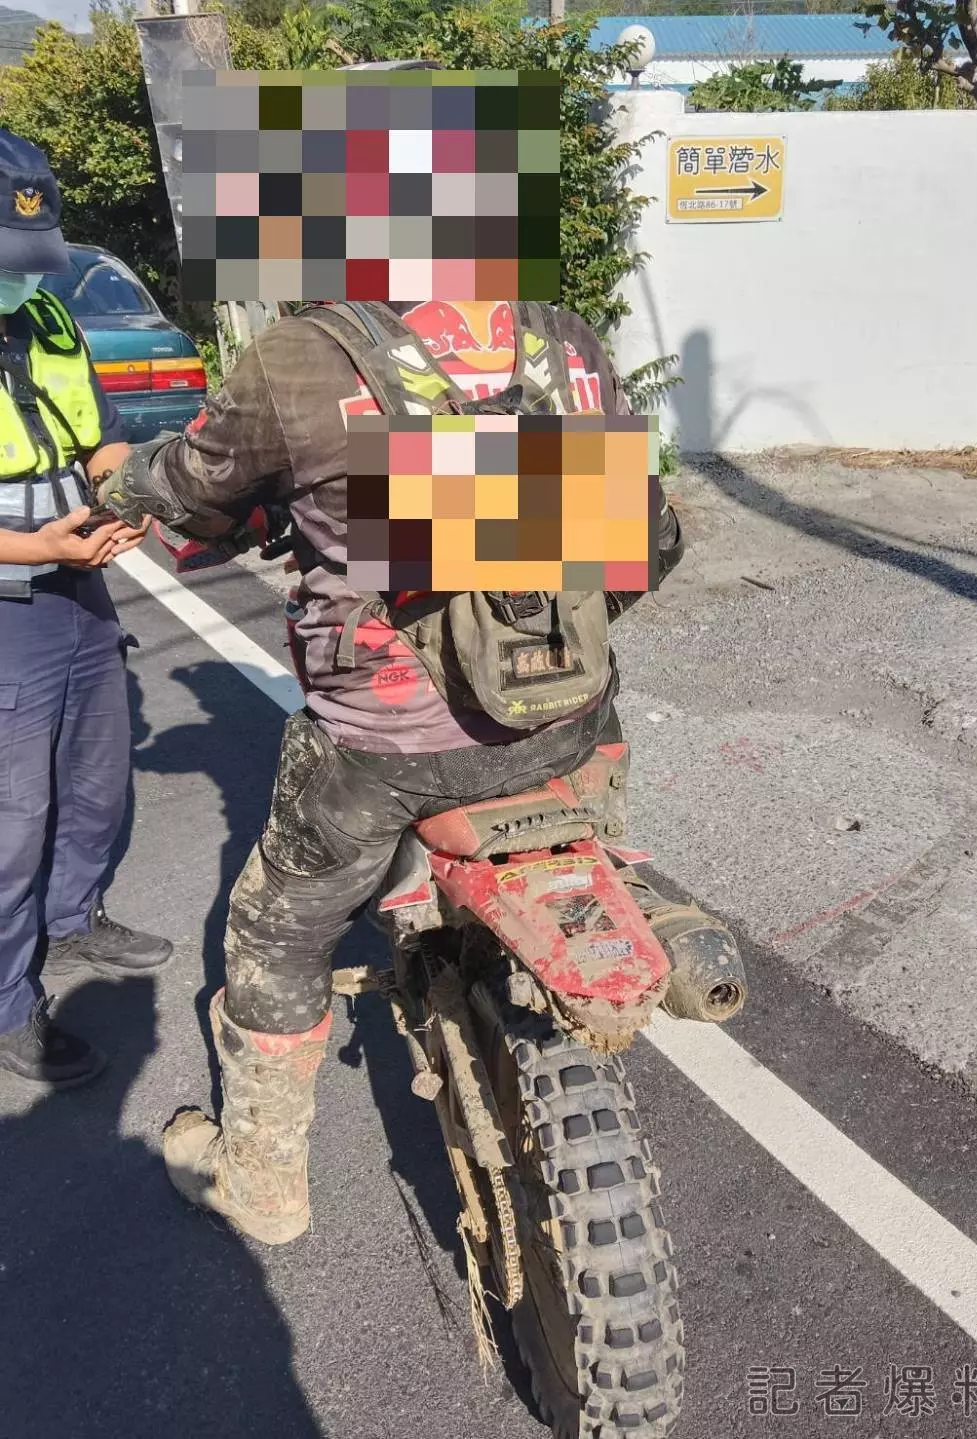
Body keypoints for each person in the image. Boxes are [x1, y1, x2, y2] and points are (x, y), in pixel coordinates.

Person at [98, 289, 728, 1244]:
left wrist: (120, 480)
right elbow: (650, 542)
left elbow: (192, 491)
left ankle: (262, 1183)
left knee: (277, 927)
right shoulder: (558, 337)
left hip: (385, 752)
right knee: (586, 778)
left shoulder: (301, 355)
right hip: (569, 723)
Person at [0, 130, 172, 1090]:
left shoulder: (48, 319)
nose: (24, 279)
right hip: (10, 600)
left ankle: (71, 923)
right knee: (12, 815)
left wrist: (133, 492)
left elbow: (100, 442)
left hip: (80, 581)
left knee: (97, 778)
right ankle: (7, 1006)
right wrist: (40, 548)